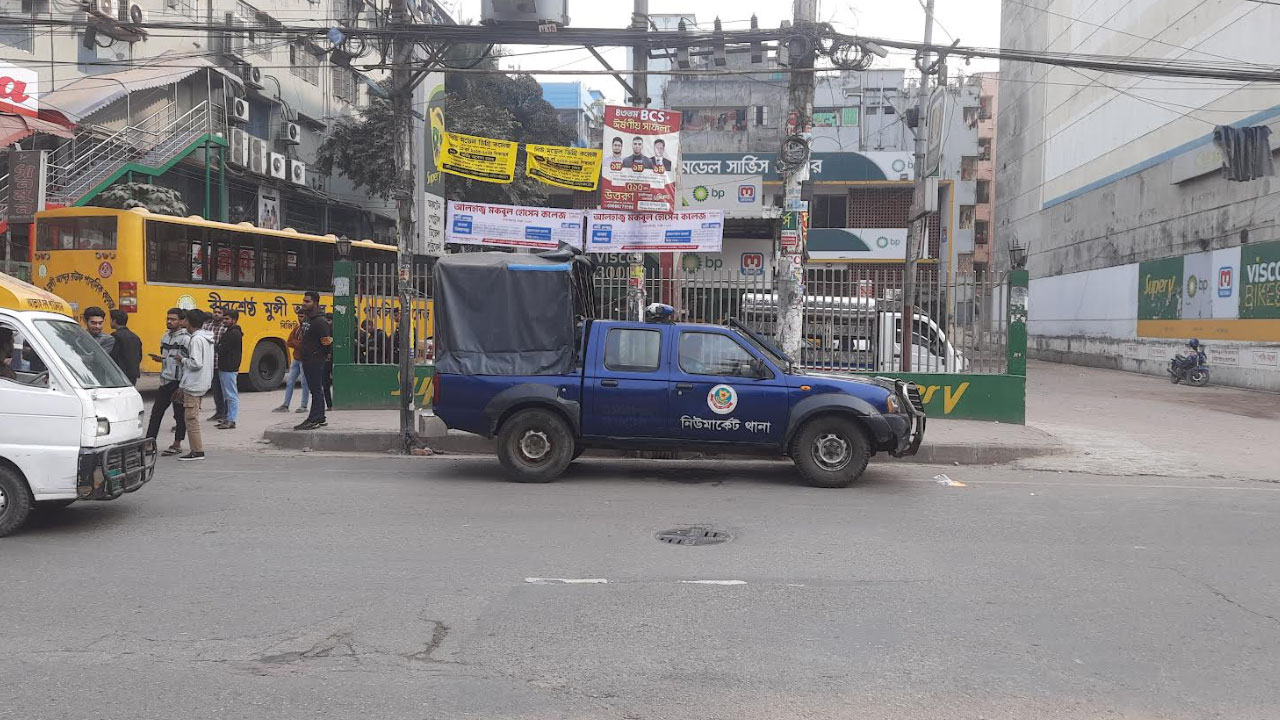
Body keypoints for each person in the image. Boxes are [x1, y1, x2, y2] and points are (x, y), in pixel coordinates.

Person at [147, 308, 189, 456]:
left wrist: (183, 386)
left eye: (173, 319)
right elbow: (168, 357)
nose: (169, 321)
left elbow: (188, 362)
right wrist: (162, 360)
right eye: (168, 319)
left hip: (178, 383)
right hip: (165, 381)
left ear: (181, 321)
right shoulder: (165, 336)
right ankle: (149, 443)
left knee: (179, 415)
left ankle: (177, 443)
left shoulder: (186, 339)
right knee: (156, 413)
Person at [178, 309, 216, 461]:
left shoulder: (196, 339)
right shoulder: (206, 337)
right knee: (192, 417)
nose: (184, 323)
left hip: (194, 384)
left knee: (191, 418)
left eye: (185, 320)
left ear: (190, 322)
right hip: (202, 381)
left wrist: (182, 360)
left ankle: (197, 451)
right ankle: (197, 450)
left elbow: (196, 363)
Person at [294, 291, 332, 430]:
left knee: (315, 390)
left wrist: (323, 354)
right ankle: (320, 418)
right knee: (316, 390)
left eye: (307, 301)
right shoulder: (308, 318)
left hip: (315, 359)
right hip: (307, 358)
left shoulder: (320, 321)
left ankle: (313, 419)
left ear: (315, 303)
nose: (304, 303)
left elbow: (326, 341)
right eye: (303, 301)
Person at [274, 309, 310, 413]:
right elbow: (289, 342)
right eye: (299, 316)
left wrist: (296, 343)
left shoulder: (308, 330)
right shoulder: (297, 328)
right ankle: (286, 405)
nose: (300, 319)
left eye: (302, 317)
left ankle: (304, 405)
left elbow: (305, 345)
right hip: (296, 359)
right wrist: (298, 343)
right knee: (290, 381)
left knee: (304, 383)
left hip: (304, 359)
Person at [215, 309, 243, 430]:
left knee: (231, 395)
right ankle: (228, 418)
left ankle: (231, 419)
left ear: (234, 320)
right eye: (224, 318)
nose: (224, 321)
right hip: (225, 367)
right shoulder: (229, 331)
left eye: (227, 319)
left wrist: (217, 346)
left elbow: (222, 349)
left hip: (229, 368)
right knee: (227, 395)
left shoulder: (234, 333)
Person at [203, 307, 228, 422]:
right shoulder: (206, 327)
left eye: (219, 313)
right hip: (210, 363)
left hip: (221, 363)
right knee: (215, 390)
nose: (216, 314)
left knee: (224, 390)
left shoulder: (225, 328)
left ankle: (226, 413)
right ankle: (219, 411)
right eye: (215, 312)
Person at [108, 309, 142, 385]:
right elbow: (139, 356)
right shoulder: (135, 337)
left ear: (114, 320)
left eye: (110, 319)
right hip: (133, 374)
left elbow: (113, 355)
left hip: (120, 374)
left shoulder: (115, 336)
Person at [323, 312, 334, 411]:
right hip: (325, 360)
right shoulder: (324, 330)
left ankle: (332, 404)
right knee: (325, 383)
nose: (328, 322)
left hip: (332, 360)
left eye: (329, 320)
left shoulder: (333, 330)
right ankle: (329, 404)